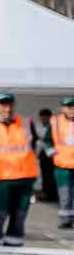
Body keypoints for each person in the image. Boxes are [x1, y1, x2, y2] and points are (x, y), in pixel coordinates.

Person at [0, 92, 38, 247]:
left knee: (21, 210)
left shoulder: (26, 122)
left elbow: (34, 145)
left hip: (25, 175)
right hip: (0, 177)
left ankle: (15, 237)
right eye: (2, 104)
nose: (7, 108)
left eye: (9, 104)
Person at [55, 96, 74, 231]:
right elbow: (47, 140)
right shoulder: (55, 122)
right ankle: (65, 220)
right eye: (69, 106)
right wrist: (52, 154)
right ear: (62, 108)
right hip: (63, 166)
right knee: (65, 194)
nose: (72, 109)